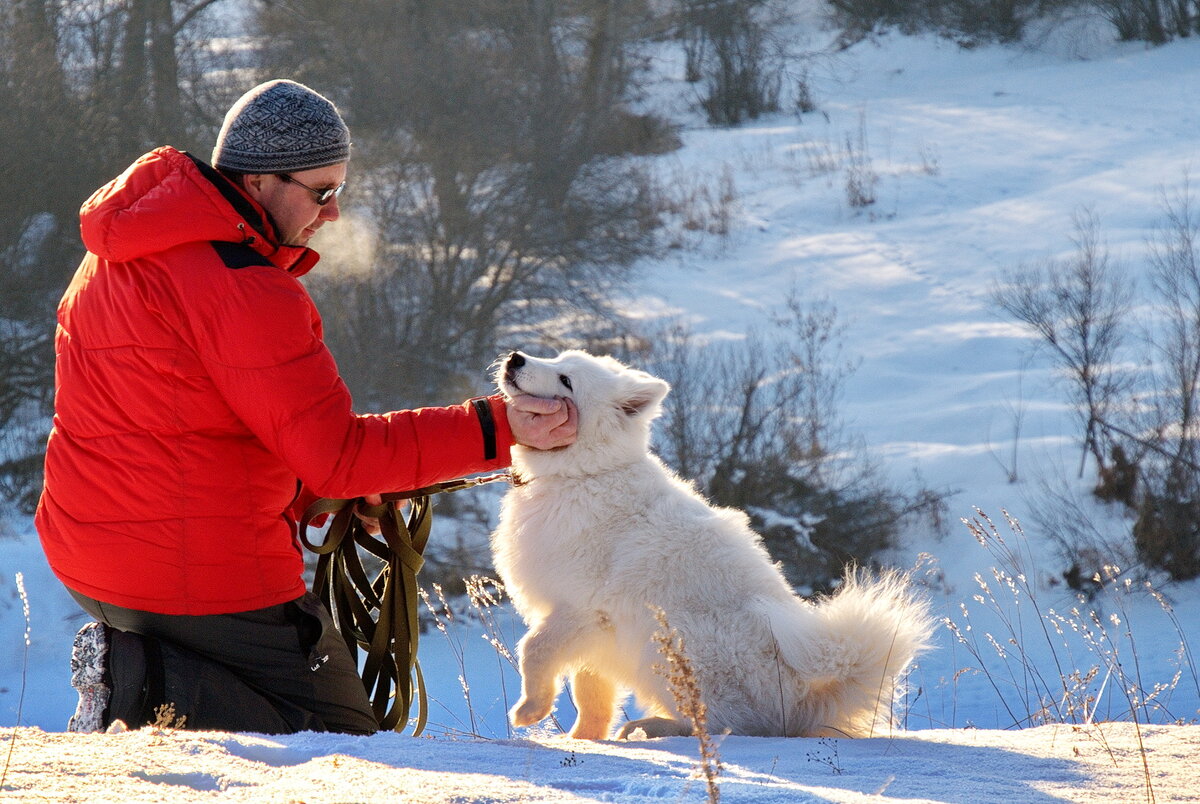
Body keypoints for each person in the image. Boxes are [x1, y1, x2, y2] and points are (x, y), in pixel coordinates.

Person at [34, 79, 577, 736]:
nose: (335, 214)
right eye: (323, 192)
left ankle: (138, 669)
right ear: (260, 180)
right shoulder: (245, 288)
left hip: (87, 555)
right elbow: (341, 456)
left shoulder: (116, 258)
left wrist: (306, 495)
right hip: (202, 575)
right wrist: (501, 427)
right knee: (340, 746)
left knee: (261, 735)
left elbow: (176, 423)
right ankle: (143, 682)